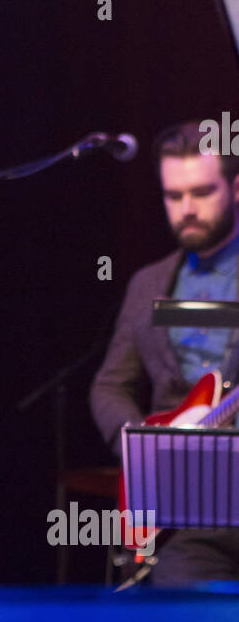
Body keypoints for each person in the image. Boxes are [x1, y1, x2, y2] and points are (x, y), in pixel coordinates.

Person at [90, 119, 239, 584]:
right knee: (182, 614)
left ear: (237, 188)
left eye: (201, 192)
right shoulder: (148, 284)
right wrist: (142, 447)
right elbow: (110, 384)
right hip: (189, 512)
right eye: (174, 197)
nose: (187, 209)